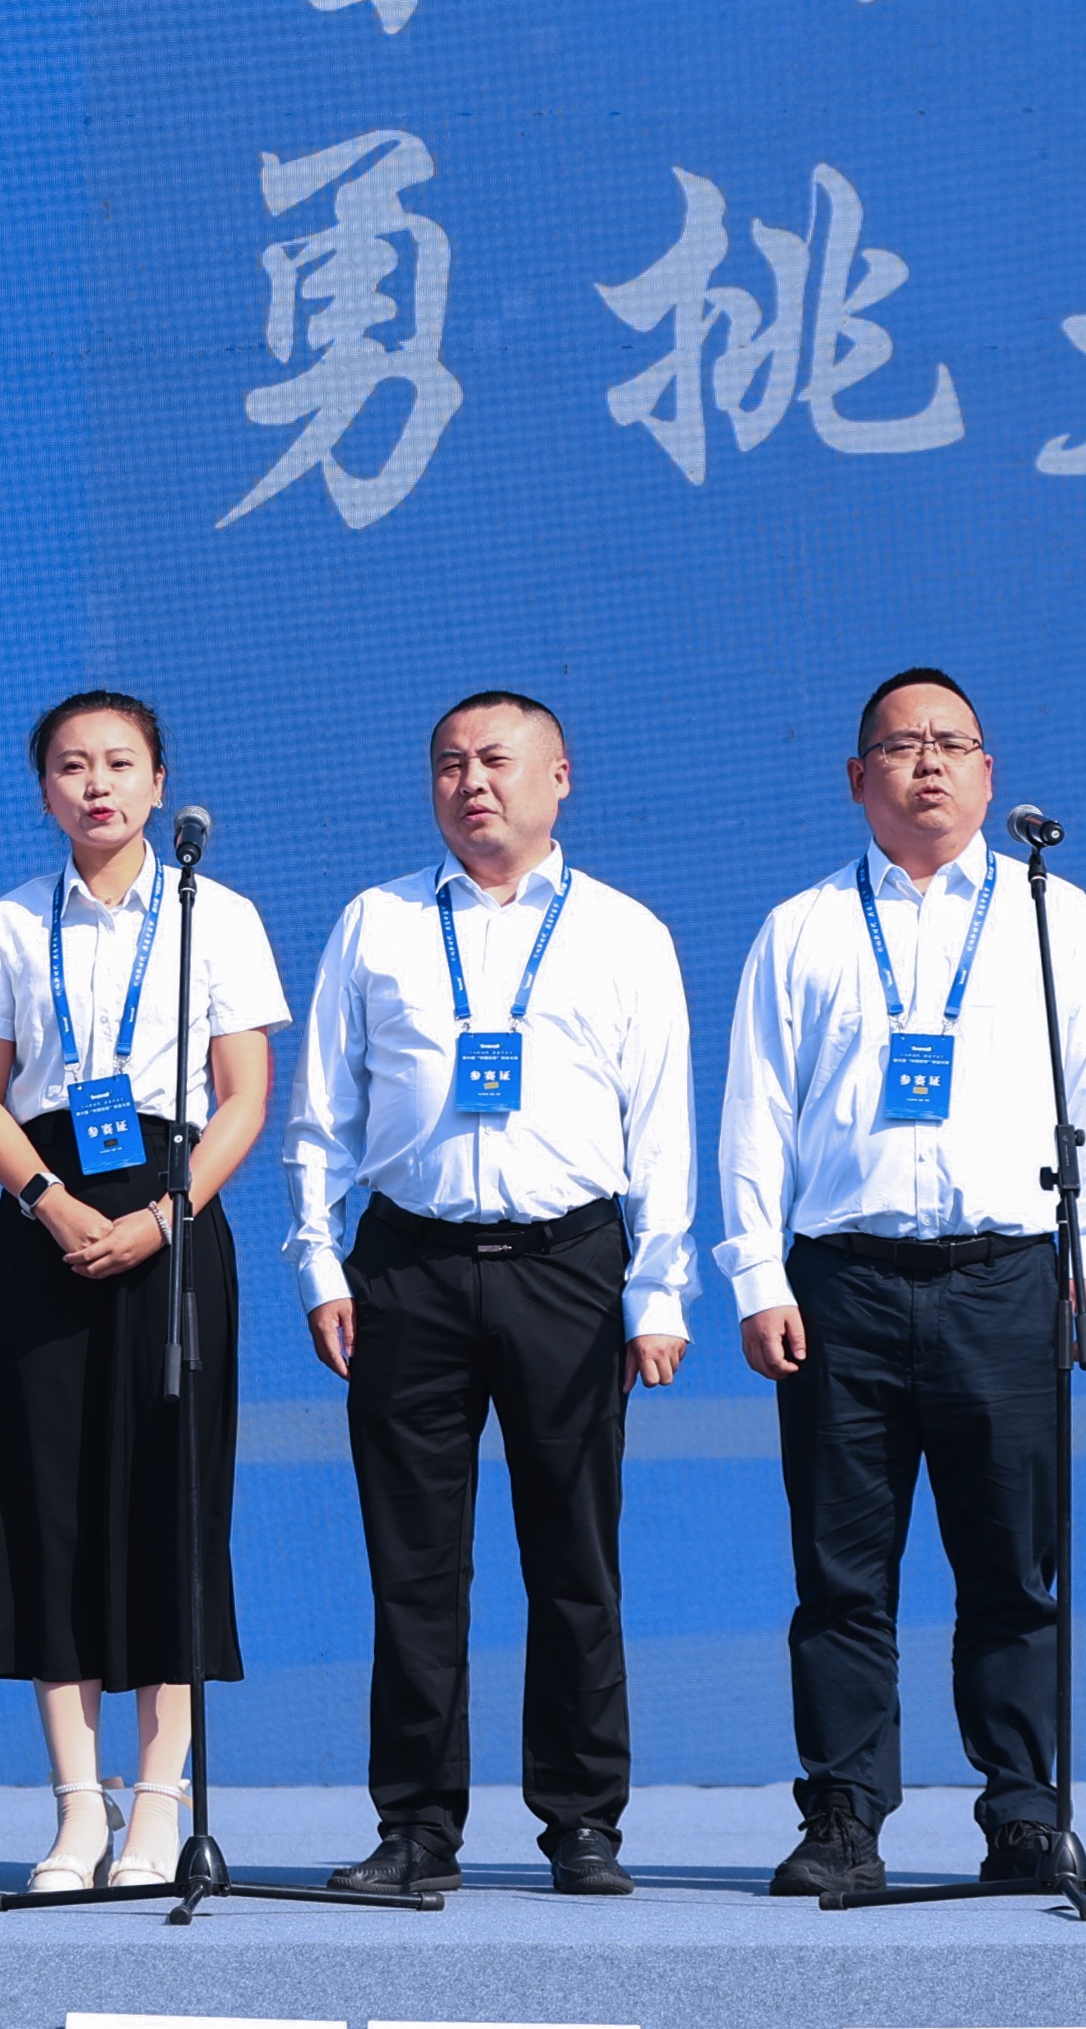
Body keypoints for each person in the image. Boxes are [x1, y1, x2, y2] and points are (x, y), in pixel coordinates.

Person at [716, 668, 1086, 1898]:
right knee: (841, 1574)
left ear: (990, 774)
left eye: (954, 742)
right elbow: (755, 1113)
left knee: (1012, 1568)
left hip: (1006, 1280)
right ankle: (844, 1816)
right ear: (859, 777)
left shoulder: (1054, 916)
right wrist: (755, 1270)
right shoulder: (802, 926)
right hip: (840, 1287)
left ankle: (1024, 1813)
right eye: (902, 744)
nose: (929, 762)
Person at [288, 692, 694, 1900]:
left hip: (570, 1266)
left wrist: (659, 1288)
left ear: (560, 775)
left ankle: (582, 1820)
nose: (473, 782)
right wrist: (319, 1260)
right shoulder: (377, 921)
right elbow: (321, 1111)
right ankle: (417, 1825)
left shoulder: (624, 932)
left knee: (574, 1555)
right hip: (406, 1266)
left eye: (498, 760)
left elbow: (661, 1125)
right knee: (414, 1565)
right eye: (450, 763)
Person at [0, 691, 287, 1893]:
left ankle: (158, 1801)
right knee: (47, 1507)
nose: (96, 784)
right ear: (43, 786)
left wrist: (163, 1215)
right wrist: (47, 1199)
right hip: (46, 1220)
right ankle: (76, 1807)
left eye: (119, 763)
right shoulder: (5, 922)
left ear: (158, 781)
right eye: (71, 765)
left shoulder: (215, 914)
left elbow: (245, 1093)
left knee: (167, 1503)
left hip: (172, 1216)